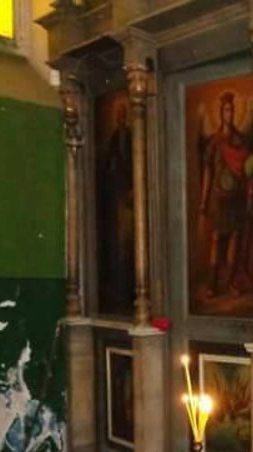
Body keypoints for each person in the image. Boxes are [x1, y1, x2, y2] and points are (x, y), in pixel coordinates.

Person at [197, 92, 253, 296]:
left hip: (236, 197)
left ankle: (230, 282)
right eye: (226, 110)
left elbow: (248, 169)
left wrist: (250, 194)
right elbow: (208, 172)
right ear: (221, 113)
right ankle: (212, 283)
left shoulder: (240, 140)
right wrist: (203, 201)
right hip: (218, 198)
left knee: (235, 238)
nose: (229, 114)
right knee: (216, 238)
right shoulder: (214, 142)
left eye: (231, 110)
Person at [99, 103, 135, 314]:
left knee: (129, 242)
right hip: (116, 194)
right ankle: (119, 291)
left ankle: (128, 291)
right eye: (118, 115)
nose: (121, 118)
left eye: (124, 115)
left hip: (129, 194)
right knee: (118, 244)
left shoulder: (131, 136)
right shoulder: (113, 139)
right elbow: (109, 165)